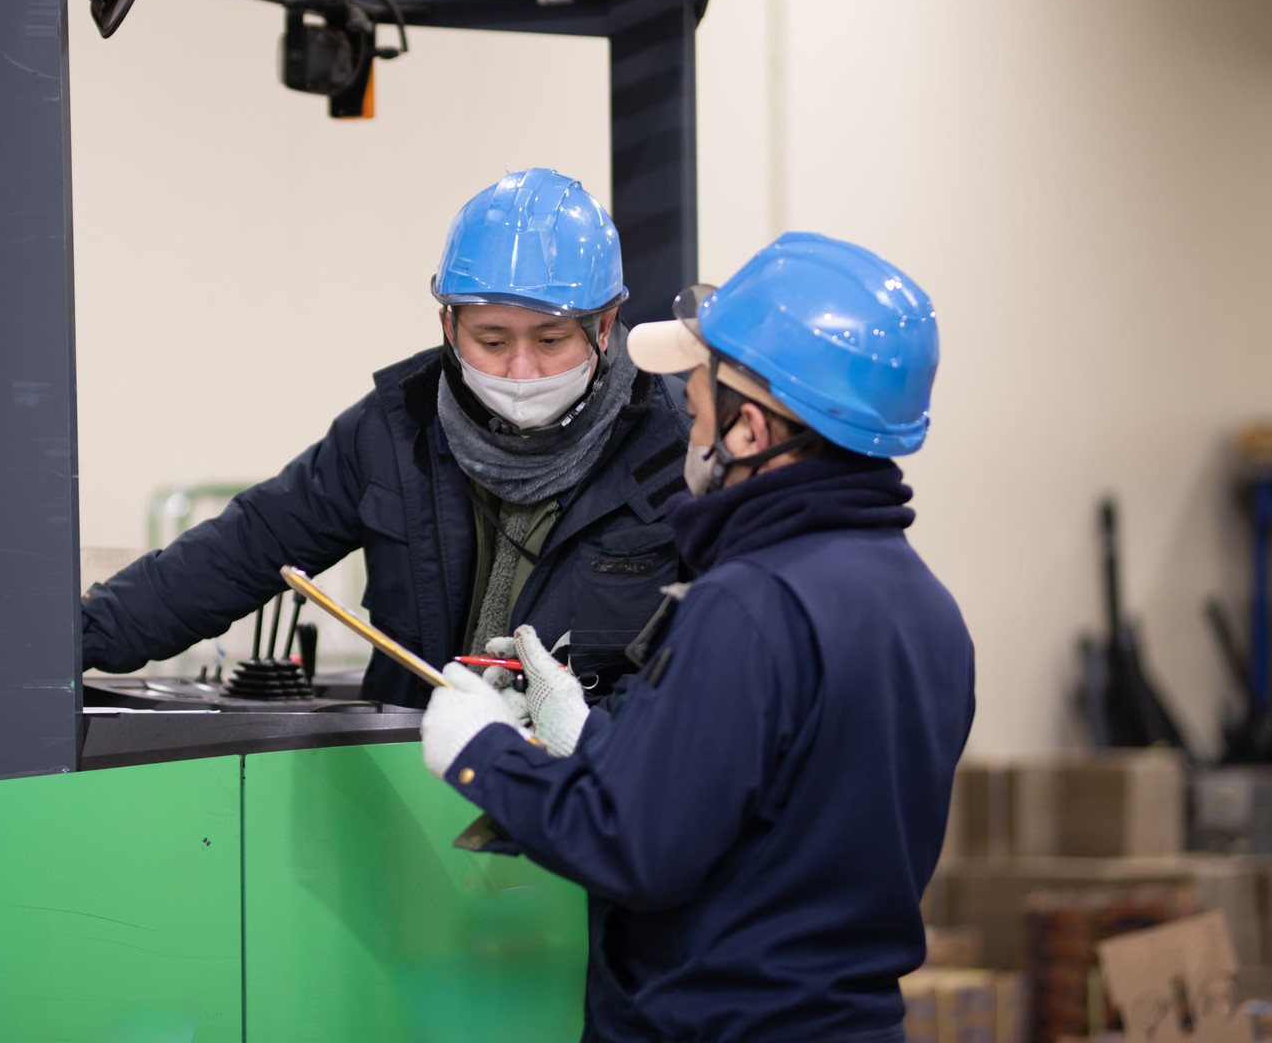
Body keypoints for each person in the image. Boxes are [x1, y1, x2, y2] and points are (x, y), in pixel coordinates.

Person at [420, 231, 976, 1042]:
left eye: (699, 393)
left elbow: (636, 850)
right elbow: (772, 815)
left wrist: (483, 754)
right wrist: (594, 741)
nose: (687, 412)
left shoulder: (751, 604)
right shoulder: (925, 607)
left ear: (751, 431)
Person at [81, 168, 692, 707]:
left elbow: (713, 668)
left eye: (551, 340)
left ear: (606, 325)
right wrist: (68, 640)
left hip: (583, 799)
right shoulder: (396, 429)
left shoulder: (677, 454)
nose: (520, 371)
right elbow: (244, 546)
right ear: (448, 326)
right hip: (412, 786)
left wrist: (583, 739)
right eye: (493, 340)